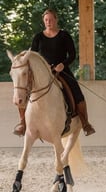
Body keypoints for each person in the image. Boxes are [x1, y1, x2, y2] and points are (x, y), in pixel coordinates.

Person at [13, 8, 95, 136]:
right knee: (24, 91)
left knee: (77, 92)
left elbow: (72, 55)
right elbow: (32, 56)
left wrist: (63, 64)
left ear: (56, 20)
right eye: (46, 20)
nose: (48, 22)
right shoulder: (38, 37)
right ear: (43, 21)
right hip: (42, 73)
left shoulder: (64, 35)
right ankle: (23, 123)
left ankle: (85, 123)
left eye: (51, 19)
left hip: (62, 71)